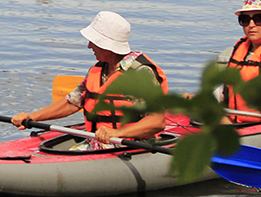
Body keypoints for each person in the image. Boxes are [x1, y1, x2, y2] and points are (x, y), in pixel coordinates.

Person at [12, 11, 168, 144]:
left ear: (108, 45)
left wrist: (117, 133)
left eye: (93, 41)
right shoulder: (98, 69)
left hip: (133, 144)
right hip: (100, 141)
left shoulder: (141, 74)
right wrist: (32, 116)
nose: (89, 46)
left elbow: (157, 121)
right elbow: (73, 102)